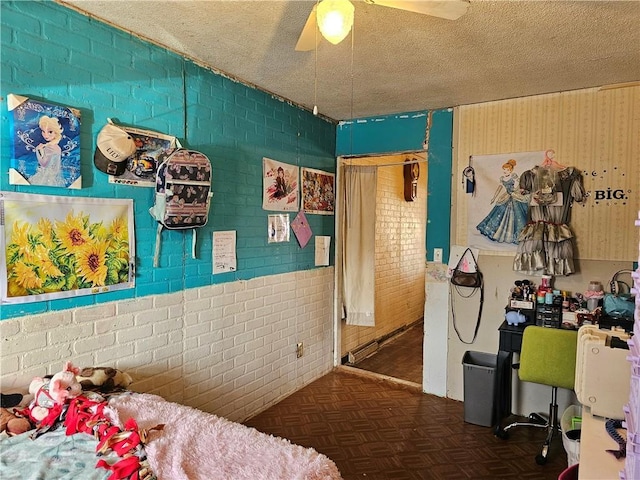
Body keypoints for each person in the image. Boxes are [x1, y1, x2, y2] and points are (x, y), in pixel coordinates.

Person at [476, 159, 529, 244]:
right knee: (499, 212)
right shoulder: (502, 178)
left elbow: (519, 186)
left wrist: (517, 190)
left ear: (511, 170)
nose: (505, 171)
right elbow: (499, 188)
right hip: (506, 196)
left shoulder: (514, 176)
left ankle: (516, 236)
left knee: (517, 215)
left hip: (515, 196)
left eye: (507, 170)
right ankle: (498, 233)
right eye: (504, 169)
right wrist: (494, 197)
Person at [30, 115, 65, 187]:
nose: (46, 135)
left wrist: (37, 150)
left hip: (46, 176)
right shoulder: (57, 147)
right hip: (55, 176)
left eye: (50, 132)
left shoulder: (50, 148)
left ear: (56, 132)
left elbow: (43, 164)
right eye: (43, 131)